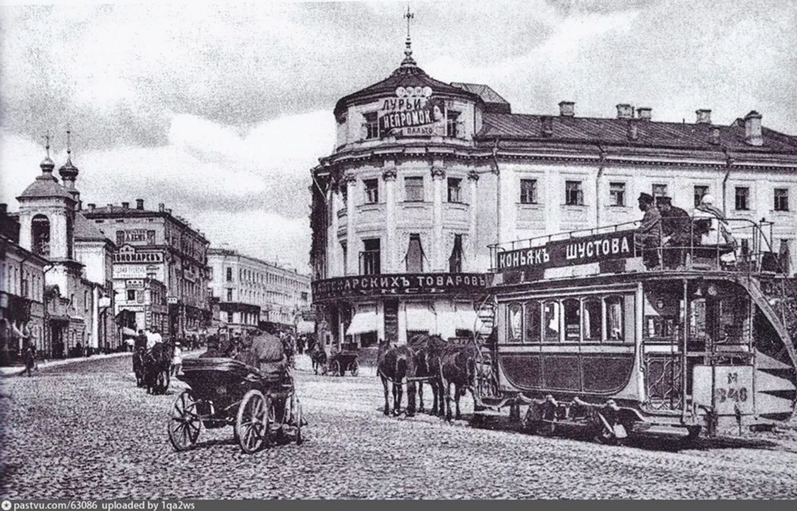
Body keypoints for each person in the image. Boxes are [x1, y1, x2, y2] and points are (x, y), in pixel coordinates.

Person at [693, 194, 737, 264]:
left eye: (710, 204)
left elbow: (722, 221)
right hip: (706, 233)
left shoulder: (715, 211)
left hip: (718, 232)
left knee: (727, 242)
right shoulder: (697, 211)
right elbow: (698, 220)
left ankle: (728, 262)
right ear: (702, 203)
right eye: (706, 204)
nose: (708, 206)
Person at [657, 196, 692, 269]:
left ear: (666, 205)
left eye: (659, 207)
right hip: (672, 238)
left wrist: (669, 238)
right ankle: (667, 266)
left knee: (682, 241)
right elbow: (664, 229)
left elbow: (684, 229)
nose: (658, 210)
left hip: (683, 236)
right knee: (664, 244)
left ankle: (680, 265)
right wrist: (663, 237)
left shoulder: (680, 213)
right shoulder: (663, 215)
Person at [635, 193, 662, 269]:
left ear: (647, 203)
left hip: (653, 235)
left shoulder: (652, 212)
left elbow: (645, 227)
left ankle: (654, 263)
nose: (639, 205)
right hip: (647, 235)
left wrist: (633, 232)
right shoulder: (648, 212)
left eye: (641, 203)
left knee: (633, 239)